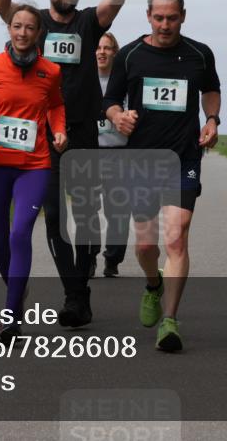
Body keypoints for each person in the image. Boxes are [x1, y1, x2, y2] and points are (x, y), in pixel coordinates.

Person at [0, 0, 129, 326]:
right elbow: (4, 10)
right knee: (53, 215)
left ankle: (80, 294)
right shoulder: (35, 21)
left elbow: (114, 3)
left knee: (85, 216)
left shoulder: (89, 22)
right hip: (43, 135)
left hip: (82, 131)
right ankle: (74, 295)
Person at [102, 0, 221, 351]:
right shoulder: (131, 55)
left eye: (172, 18)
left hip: (183, 157)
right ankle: (153, 284)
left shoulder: (200, 54)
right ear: (148, 16)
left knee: (176, 236)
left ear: (183, 16)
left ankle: (170, 321)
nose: (165, 25)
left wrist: (212, 120)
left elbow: (211, 89)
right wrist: (117, 116)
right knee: (145, 245)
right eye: (158, 18)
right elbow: (109, 100)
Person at [0, 4, 68, 342]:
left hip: (34, 166)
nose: (22, 33)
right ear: (9, 29)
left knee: (20, 232)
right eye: (16, 26)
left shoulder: (50, 71)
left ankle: (10, 316)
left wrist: (59, 130)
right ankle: (16, 289)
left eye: (29, 28)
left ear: (39, 33)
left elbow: (55, 105)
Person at [94, 33, 130, 278]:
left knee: (117, 211)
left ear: (115, 53)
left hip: (119, 153)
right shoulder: (85, 81)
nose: (102, 52)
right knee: (86, 209)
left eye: (108, 48)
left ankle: (113, 259)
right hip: (90, 152)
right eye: (98, 47)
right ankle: (87, 258)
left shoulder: (125, 83)